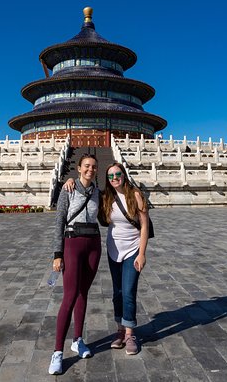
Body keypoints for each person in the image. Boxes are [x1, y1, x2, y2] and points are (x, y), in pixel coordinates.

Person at [49, 154, 101, 375]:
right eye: (86, 166)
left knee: (83, 294)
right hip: (72, 244)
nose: (90, 169)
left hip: (94, 245)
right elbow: (59, 220)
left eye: (94, 167)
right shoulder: (68, 189)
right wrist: (57, 253)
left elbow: (108, 215)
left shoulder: (98, 192)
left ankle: (77, 340)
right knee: (69, 296)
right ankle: (57, 352)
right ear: (78, 168)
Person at [99, 163, 149, 356]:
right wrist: (70, 180)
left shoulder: (135, 195)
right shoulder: (106, 196)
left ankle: (129, 333)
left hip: (132, 251)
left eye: (118, 174)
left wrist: (142, 253)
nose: (114, 178)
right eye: (111, 176)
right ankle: (120, 329)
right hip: (113, 251)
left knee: (128, 291)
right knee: (117, 292)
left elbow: (144, 227)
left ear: (124, 175)